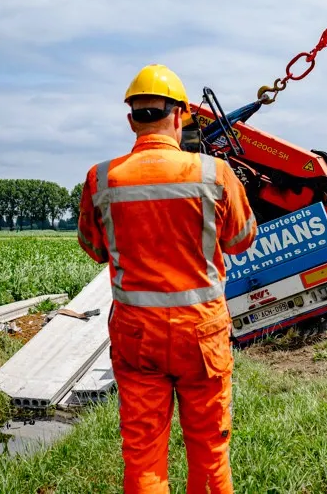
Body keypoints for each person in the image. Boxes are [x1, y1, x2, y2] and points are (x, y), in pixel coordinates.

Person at [77, 64, 257, 493]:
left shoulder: (101, 179)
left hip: (137, 337)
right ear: (179, 117)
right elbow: (241, 240)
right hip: (203, 334)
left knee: (143, 456)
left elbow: (95, 247)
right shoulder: (215, 174)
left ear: (131, 120)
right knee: (210, 454)